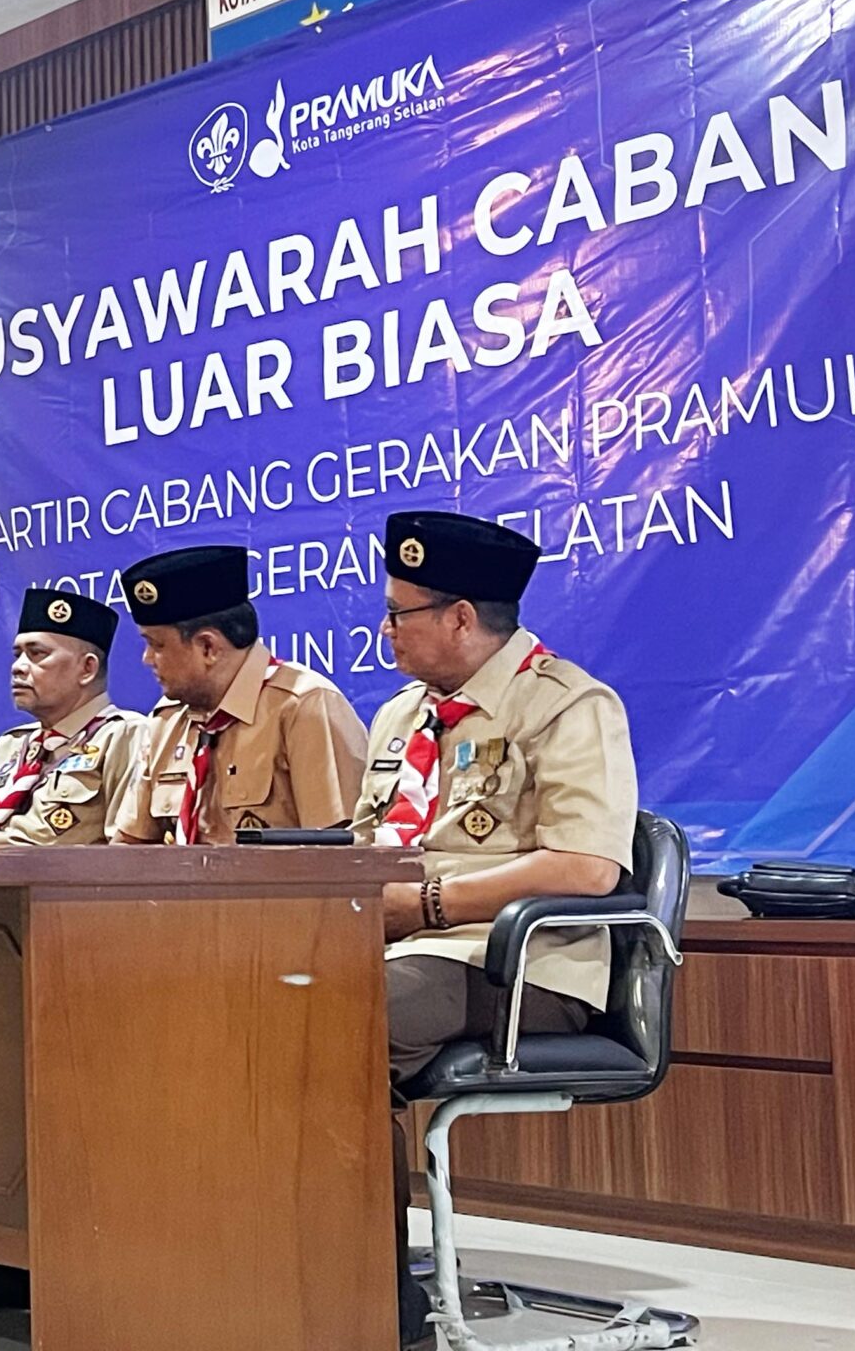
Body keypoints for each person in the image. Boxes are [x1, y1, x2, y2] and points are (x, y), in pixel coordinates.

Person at [350, 510, 636, 1347]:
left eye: (399, 613)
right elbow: (368, 845)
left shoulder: (568, 705)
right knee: (268, 996)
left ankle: (365, 1297)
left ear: (461, 618)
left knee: (338, 1022)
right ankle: (264, 1259)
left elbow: (586, 869)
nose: (386, 630)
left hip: (519, 966)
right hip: (401, 948)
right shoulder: (401, 718)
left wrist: (427, 906)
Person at [109, 545, 367, 845]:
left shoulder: (304, 706)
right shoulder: (168, 720)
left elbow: (336, 855)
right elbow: (129, 848)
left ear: (208, 647)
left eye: (157, 645)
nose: (147, 659)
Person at [0, 588, 142, 845]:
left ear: (87, 668)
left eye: (37, 654)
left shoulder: (125, 737)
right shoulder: (12, 745)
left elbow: (128, 852)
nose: (18, 667)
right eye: (17, 655)